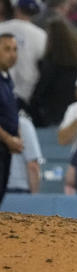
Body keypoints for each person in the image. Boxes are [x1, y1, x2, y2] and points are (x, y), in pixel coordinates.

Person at [0, 0, 48, 104]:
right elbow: (43, 61)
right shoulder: (41, 35)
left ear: (17, 9)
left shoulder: (2, 27)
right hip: (25, 90)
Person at [0, 34, 22, 204]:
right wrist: (9, 139)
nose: (13, 54)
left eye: (15, 49)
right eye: (7, 49)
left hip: (6, 147)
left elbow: (11, 112)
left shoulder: (7, 79)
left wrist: (17, 136)